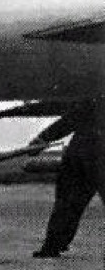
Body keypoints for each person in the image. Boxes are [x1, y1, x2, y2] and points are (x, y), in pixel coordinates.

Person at [28, 97, 104, 258]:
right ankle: (53, 245)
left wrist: (42, 139)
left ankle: (52, 246)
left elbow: (71, 119)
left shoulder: (95, 98)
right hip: (88, 155)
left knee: (67, 203)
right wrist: (42, 139)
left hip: (80, 153)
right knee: (67, 203)